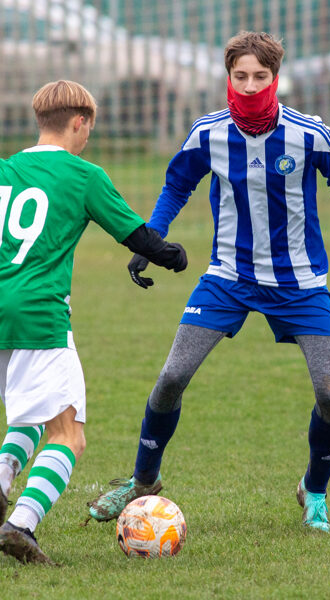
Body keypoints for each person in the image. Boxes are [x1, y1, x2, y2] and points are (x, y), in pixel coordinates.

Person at [87, 31, 330, 533]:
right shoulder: (208, 133)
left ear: (275, 77)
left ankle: (314, 490)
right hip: (228, 277)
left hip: (300, 282)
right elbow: (177, 184)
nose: (248, 85)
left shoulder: (309, 133)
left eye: (259, 76)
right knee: (171, 378)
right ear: (228, 77)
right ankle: (143, 481)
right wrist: (149, 240)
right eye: (240, 76)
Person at [0, 80, 187, 563]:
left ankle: (1, 483)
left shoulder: (6, 169)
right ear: (80, 122)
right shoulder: (84, 175)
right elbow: (137, 236)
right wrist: (173, 256)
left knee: (32, 413)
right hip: (39, 313)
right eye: (89, 128)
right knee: (69, 434)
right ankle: (20, 525)